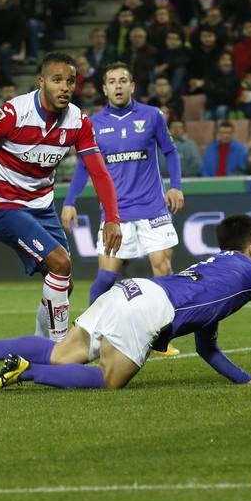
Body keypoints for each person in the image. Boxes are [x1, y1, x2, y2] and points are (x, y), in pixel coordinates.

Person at [0, 214, 251, 391]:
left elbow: (207, 348)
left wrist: (246, 380)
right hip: (149, 308)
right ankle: (23, 371)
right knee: (108, 379)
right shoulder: (248, 268)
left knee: (61, 353)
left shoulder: (214, 270)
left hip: (131, 290)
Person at [0, 52, 122, 343]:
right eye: (57, 80)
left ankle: (37, 345)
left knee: (64, 284)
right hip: (3, 205)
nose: (65, 87)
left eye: (70, 81)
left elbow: (99, 172)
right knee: (60, 264)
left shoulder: (78, 122)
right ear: (41, 81)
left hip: (43, 207)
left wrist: (112, 218)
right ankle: (59, 351)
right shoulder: (13, 113)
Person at [61, 62, 185, 351]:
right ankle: (88, 335)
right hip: (116, 214)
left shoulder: (153, 116)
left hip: (153, 209)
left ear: (132, 86)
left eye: (123, 80)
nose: (118, 86)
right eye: (112, 81)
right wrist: (69, 201)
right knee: (106, 277)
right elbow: (84, 166)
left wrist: (176, 186)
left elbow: (170, 151)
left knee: (163, 270)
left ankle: (162, 340)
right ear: (104, 89)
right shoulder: (93, 124)